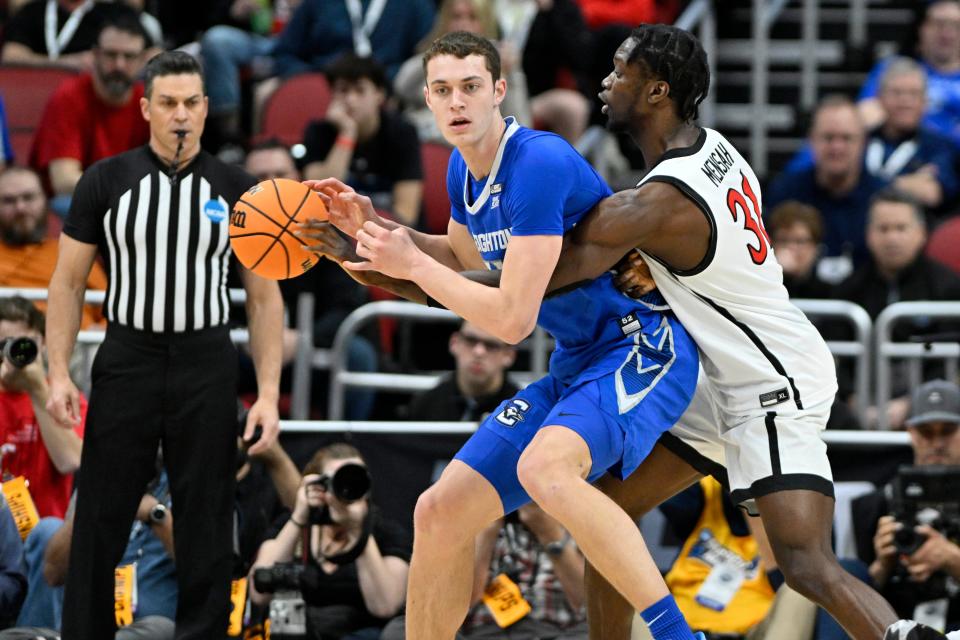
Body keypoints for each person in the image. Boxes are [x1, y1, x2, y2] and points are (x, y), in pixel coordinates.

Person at [532, 23, 959, 640]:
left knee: (807, 565)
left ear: (656, 92)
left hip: (771, 376)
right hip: (724, 372)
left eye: (620, 70)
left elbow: (539, 275)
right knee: (609, 513)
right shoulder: (713, 148)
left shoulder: (657, 203)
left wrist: (409, 266)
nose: (605, 80)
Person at [302, 30, 704, 640]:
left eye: (469, 87)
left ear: (499, 91)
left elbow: (511, 318)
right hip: (579, 359)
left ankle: (677, 636)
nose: (456, 101)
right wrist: (373, 232)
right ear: (428, 102)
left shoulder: (535, 162)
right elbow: (463, 259)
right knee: (438, 511)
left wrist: (408, 265)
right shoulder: (468, 173)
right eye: (442, 90)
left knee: (548, 470)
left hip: (642, 344)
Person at [44, 50, 284, 639]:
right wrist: (56, 373)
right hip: (129, 356)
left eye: (192, 103)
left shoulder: (238, 188)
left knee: (205, 517)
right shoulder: (105, 179)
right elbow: (67, 282)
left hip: (207, 360)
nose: (181, 115)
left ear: (206, 109)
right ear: (147, 107)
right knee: (100, 513)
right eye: (169, 103)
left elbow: (264, 299)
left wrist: (271, 395)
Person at [248, 442, 411, 640]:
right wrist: (299, 517)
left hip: (359, 634)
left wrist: (358, 530)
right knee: (283, 608)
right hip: (296, 632)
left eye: (354, 479)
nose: (345, 489)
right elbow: (259, 594)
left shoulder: (384, 533)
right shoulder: (293, 526)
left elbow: (385, 606)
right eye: (337, 481)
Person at [833, 188, 960, 428]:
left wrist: (911, 403)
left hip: (931, 408)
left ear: (922, 233)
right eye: (883, 229)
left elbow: (950, 363)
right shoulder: (848, 290)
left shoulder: (948, 288)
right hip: (858, 411)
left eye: (901, 228)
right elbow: (836, 359)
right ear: (868, 234)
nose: (891, 238)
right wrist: (852, 400)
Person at [9, 470, 177, 638]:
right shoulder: (105, 470)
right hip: (86, 622)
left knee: (159, 628)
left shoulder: (191, 475)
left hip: (149, 628)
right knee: (47, 529)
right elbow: (53, 575)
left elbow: (199, 571)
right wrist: (92, 507)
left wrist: (155, 514)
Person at [851, 379, 960, 635]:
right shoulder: (874, 504)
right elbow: (850, 590)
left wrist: (951, 558)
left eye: (947, 431)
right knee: (847, 569)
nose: (937, 442)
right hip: (892, 623)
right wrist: (881, 566)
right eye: (926, 431)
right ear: (910, 432)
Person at [30, 8, 150, 217]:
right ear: (95, 55)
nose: (119, 65)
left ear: (142, 60)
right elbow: (64, 182)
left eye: (129, 56)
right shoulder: (68, 97)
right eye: (111, 55)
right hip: (73, 207)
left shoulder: (151, 103)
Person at [765, 95, 888, 277]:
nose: (837, 147)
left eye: (846, 138)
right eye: (828, 138)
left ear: (863, 143)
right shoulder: (784, 192)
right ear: (812, 140)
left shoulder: (884, 198)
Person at [301, 54, 423, 227]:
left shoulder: (403, 132)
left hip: (393, 233)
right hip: (338, 231)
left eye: (360, 90)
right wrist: (347, 133)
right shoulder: (318, 131)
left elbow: (406, 213)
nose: (351, 100)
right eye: (343, 90)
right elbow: (319, 196)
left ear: (379, 94)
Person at [0, 297, 83, 519]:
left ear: (43, 343)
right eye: (5, 345)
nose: (15, 354)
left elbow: (71, 460)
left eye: (24, 344)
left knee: (48, 531)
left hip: (45, 533)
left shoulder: (64, 396)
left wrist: (38, 390)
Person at [0, 167, 107, 329]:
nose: (20, 208)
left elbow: (111, 314)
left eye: (28, 198)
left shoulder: (75, 252)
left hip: (77, 347)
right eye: (9, 200)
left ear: (46, 201)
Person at [858, 0, 960, 147]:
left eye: (956, 26)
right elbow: (867, 115)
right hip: (899, 154)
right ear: (920, 28)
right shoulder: (893, 69)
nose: (947, 33)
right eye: (939, 24)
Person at [407, 320, 518, 422]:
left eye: (491, 345)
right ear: (454, 343)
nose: (479, 352)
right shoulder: (426, 405)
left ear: (509, 355)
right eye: (470, 340)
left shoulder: (521, 412)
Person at [1, 0, 161, 69]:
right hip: (38, 94)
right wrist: (64, 63)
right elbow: (11, 56)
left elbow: (155, 55)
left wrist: (111, 63)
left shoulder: (114, 12)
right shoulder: (32, 12)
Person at [766, 201, 832, 300]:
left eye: (800, 241)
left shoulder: (827, 291)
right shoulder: (763, 286)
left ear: (815, 247)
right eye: (783, 240)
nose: (791, 247)